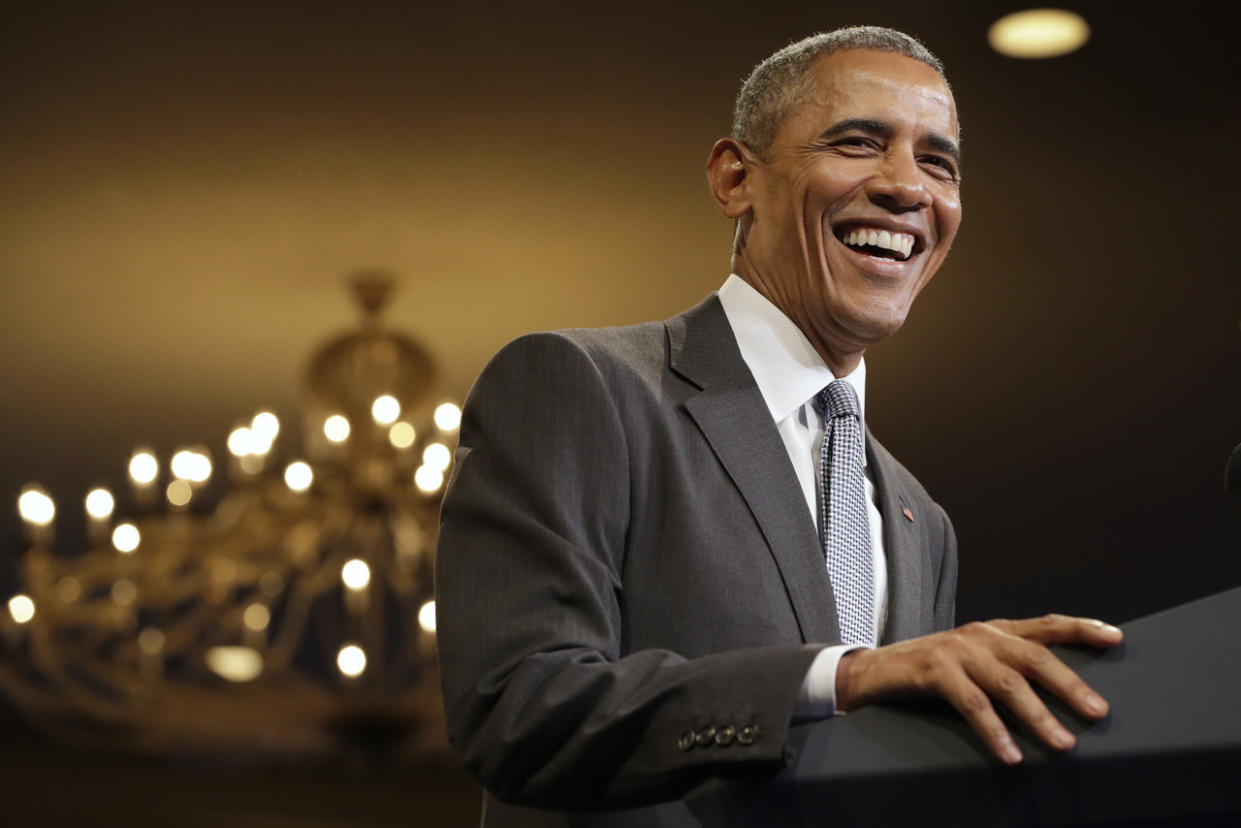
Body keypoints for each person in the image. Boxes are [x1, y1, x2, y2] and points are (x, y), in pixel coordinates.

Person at [435, 25, 1123, 827]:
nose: (908, 187)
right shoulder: (583, 387)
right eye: (859, 142)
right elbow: (517, 710)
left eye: (938, 162)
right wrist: (844, 676)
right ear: (735, 179)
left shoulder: (918, 519)